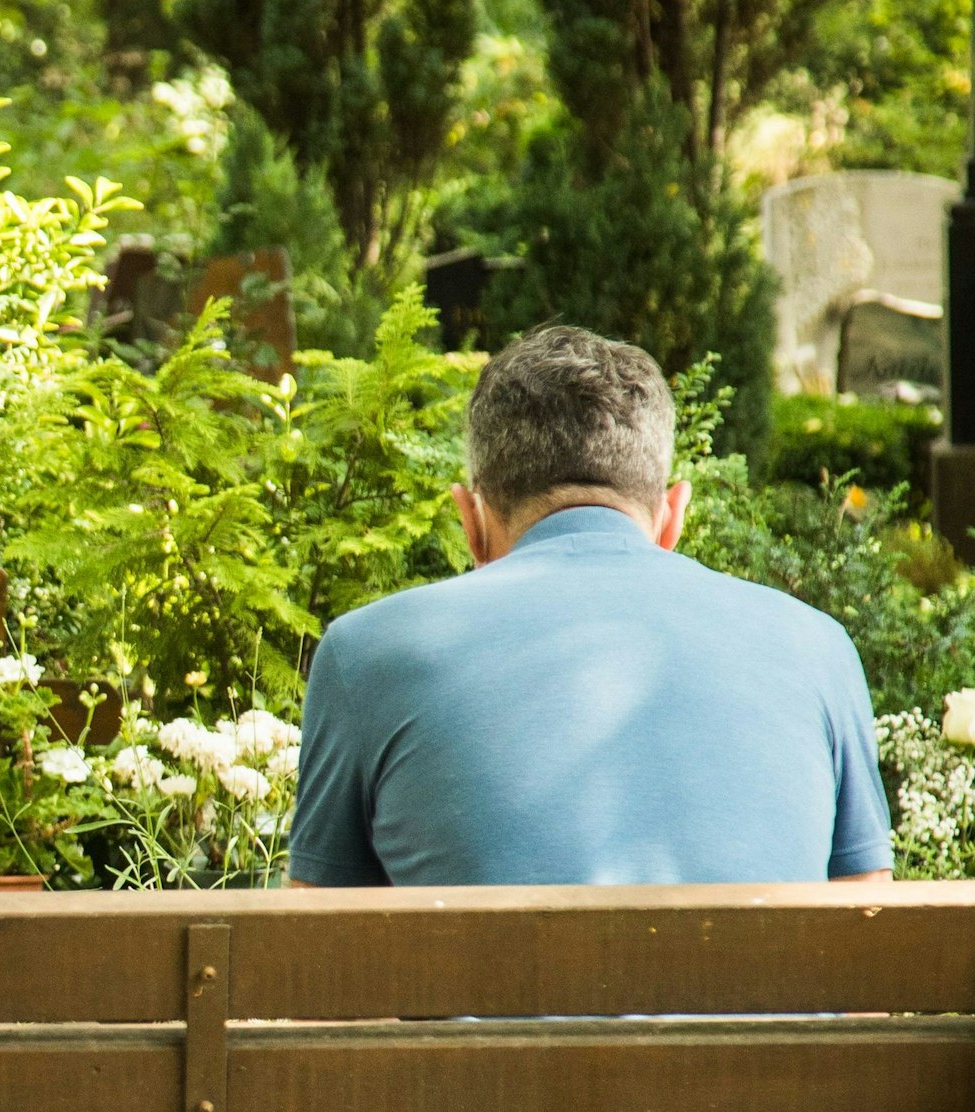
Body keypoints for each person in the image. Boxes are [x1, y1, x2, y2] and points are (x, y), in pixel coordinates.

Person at [286, 326, 893, 887]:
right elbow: (867, 919)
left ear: (471, 522)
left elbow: (317, 941)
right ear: (673, 517)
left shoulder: (366, 654)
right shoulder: (819, 648)